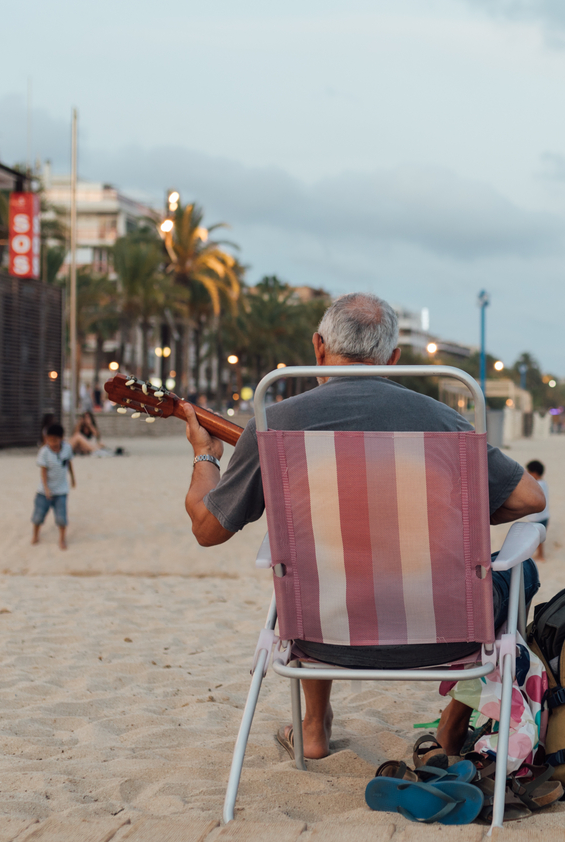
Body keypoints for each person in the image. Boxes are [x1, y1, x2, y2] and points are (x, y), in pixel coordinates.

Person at [176, 292, 545, 761]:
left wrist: (204, 453)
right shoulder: (443, 422)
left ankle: (313, 727)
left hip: (317, 637)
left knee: (319, 560)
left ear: (318, 347)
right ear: (392, 359)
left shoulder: (276, 425)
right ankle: (453, 723)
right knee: (520, 572)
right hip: (447, 635)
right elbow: (531, 498)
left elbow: (207, 528)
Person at [33, 422, 76, 548]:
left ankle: (62, 539)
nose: (52, 442)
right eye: (49, 440)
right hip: (44, 491)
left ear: (61, 438)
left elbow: (69, 463)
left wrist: (73, 478)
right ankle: (35, 535)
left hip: (61, 490)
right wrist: (46, 488)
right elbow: (43, 472)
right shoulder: (44, 452)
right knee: (38, 516)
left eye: (55, 440)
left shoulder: (67, 448)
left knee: (61, 518)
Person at [519, 459, 549, 561]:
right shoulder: (543, 483)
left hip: (538, 517)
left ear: (535, 473)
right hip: (544, 516)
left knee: (537, 538)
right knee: (538, 538)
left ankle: (540, 555)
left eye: (529, 472)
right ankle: (539, 553)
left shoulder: (538, 485)